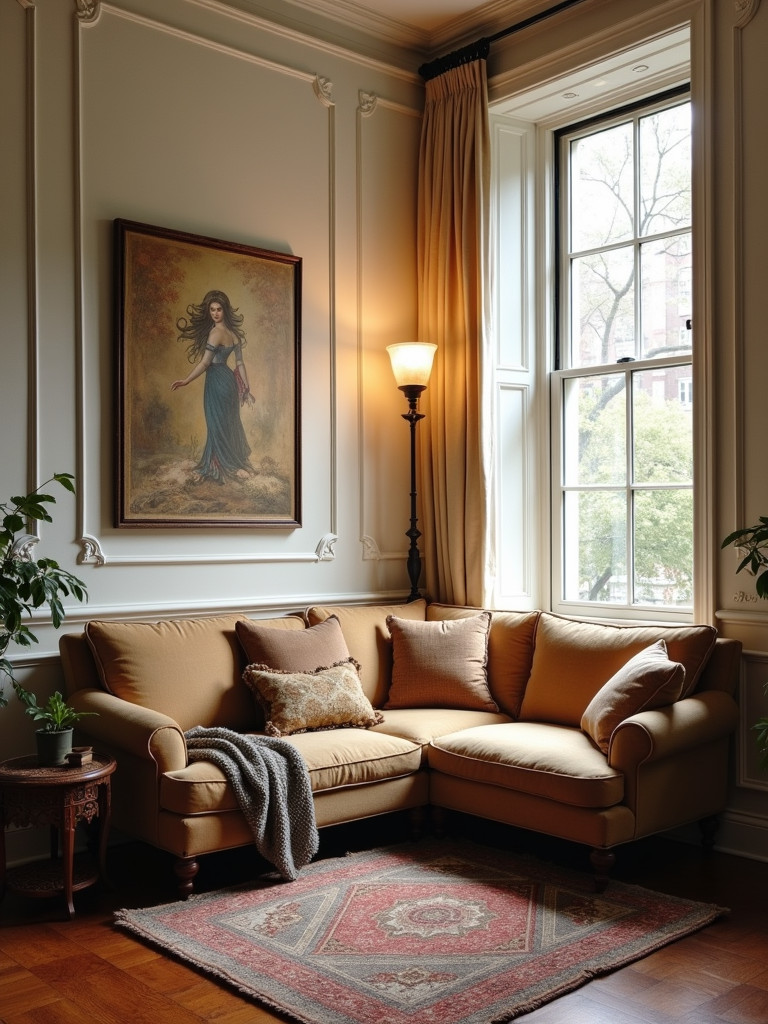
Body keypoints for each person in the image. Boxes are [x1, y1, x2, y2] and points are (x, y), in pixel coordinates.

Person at [171, 289, 255, 483]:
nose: (215, 313)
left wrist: (186, 380)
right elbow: (240, 364)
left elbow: (205, 363)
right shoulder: (234, 335)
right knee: (226, 423)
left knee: (216, 425)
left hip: (216, 381)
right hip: (229, 382)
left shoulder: (215, 333)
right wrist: (246, 389)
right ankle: (227, 463)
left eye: (219, 309)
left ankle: (217, 465)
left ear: (225, 310)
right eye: (212, 310)